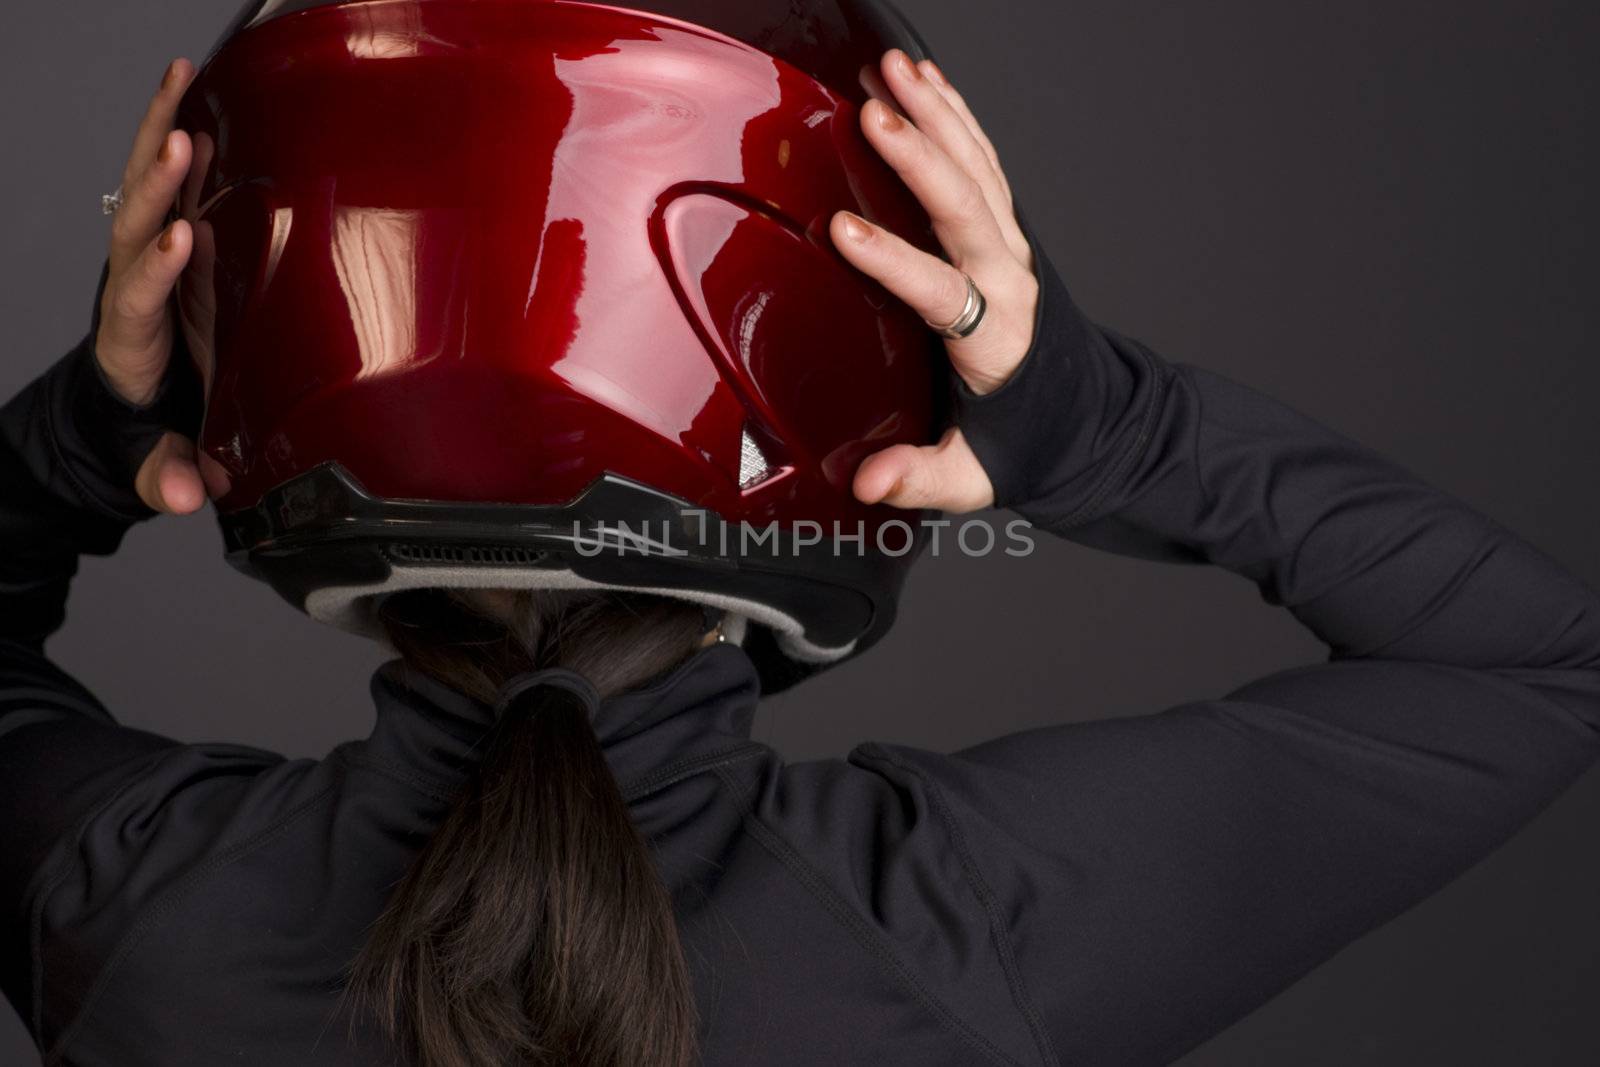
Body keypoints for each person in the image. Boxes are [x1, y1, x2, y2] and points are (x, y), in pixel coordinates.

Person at [4, 26, 1599, 1067]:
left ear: (251, 355)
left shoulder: (145, 913)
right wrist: (1088, 419)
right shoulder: (955, 934)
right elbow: (1532, 664)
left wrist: (88, 427)